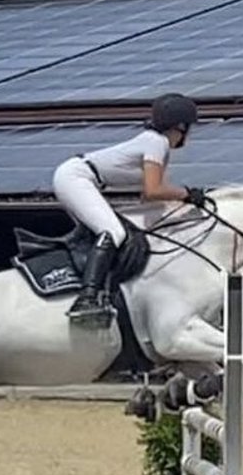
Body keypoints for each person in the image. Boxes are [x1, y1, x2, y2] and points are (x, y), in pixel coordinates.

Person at [52, 92, 205, 327]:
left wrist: (184, 208)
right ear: (180, 126)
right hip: (76, 177)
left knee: (114, 232)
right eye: (188, 129)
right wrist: (186, 194)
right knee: (114, 233)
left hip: (82, 178)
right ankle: (87, 299)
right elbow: (154, 191)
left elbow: (149, 199)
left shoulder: (155, 144)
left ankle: (97, 291)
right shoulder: (157, 142)